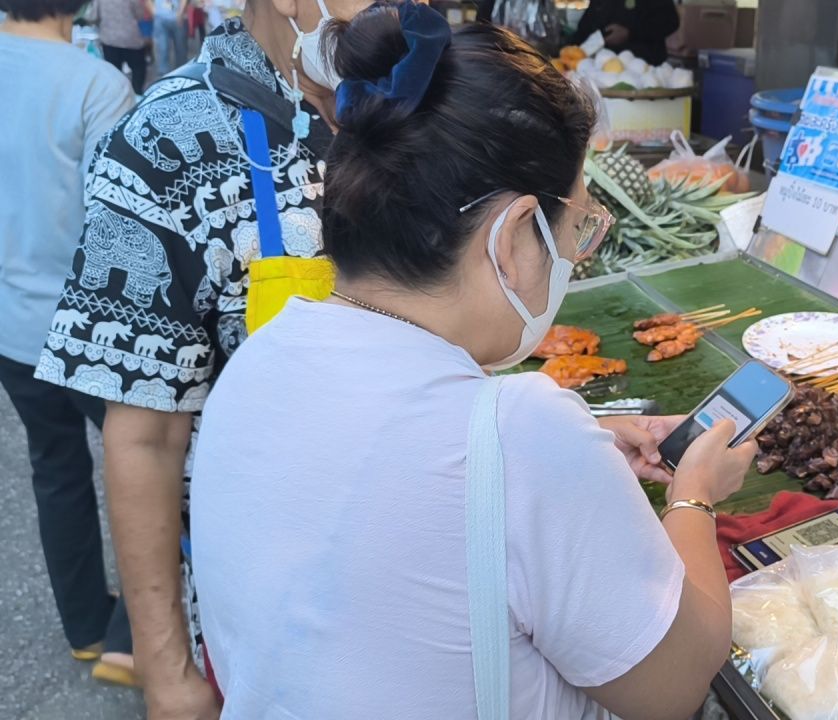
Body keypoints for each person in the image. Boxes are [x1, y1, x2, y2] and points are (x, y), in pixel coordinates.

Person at [189, 3, 754, 717]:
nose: (574, 257)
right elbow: (672, 684)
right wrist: (693, 497)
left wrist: (581, 454)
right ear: (515, 234)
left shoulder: (256, 363)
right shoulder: (519, 432)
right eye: (577, 226)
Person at [34, 0, 373, 714]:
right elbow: (145, 438)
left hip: (411, 586)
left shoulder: (412, 110)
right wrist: (167, 672)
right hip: (259, 612)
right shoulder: (168, 140)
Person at [0, 0, 136, 686]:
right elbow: (115, 229)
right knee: (154, 468)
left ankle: (86, 626)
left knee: (55, 467)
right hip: (86, 330)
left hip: (8, 327)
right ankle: (131, 636)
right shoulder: (96, 85)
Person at [571, 0, 678, 65]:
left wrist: (630, 33)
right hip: (602, 72)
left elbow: (670, 21)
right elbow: (585, 28)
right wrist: (564, 52)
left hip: (644, 72)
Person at [95, 0, 150, 94]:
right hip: (131, 39)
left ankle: (117, 97)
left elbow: (94, 15)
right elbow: (140, 14)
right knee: (138, 70)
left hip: (109, 40)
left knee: (113, 73)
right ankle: (137, 95)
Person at [152, 0, 186, 75]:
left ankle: (182, 72)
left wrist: (180, 13)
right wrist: (154, 12)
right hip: (160, 19)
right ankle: (164, 74)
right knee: (163, 48)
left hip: (176, 18)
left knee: (180, 47)